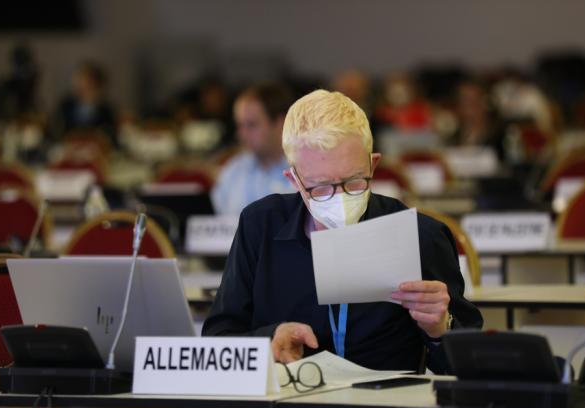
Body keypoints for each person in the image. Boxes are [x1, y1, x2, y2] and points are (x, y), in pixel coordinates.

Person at [203, 89, 482, 373]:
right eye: (320, 187)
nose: (339, 198)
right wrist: (269, 339)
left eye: (354, 181)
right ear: (294, 180)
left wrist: (440, 328)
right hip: (286, 406)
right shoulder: (259, 225)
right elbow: (217, 340)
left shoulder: (420, 235)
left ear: (373, 165)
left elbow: (471, 369)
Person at [211, 83, 296, 215]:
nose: (242, 134)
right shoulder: (231, 173)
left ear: (280, 123)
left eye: (251, 125)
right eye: (240, 125)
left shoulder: (305, 172)